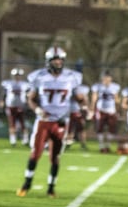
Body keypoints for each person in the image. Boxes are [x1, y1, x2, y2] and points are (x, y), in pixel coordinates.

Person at [16, 46, 86, 198]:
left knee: (55, 156)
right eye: (55, 60)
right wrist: (37, 110)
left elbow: (79, 98)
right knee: (35, 153)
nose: (58, 62)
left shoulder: (71, 77)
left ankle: (51, 187)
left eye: (60, 59)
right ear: (48, 61)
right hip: (44, 120)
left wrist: (85, 107)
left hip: (61, 121)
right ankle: (27, 183)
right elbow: (31, 99)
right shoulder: (39, 76)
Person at [0, 68, 32, 147]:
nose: (17, 77)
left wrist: (29, 103)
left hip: (22, 106)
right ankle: (13, 140)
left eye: (19, 75)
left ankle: (25, 140)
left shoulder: (25, 84)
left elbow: (29, 94)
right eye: (16, 75)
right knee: (12, 123)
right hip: (11, 106)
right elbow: (3, 93)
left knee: (23, 124)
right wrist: (2, 102)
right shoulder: (8, 83)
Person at [91, 71, 121, 153]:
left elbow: (116, 99)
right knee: (99, 128)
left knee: (111, 129)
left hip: (111, 110)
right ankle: (101, 146)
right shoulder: (98, 86)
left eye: (108, 78)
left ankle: (107, 145)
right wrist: (92, 109)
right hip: (100, 110)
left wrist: (118, 110)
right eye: (105, 78)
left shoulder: (115, 87)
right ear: (102, 79)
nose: (106, 80)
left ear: (111, 79)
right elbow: (94, 99)